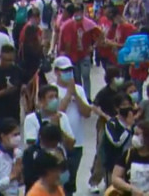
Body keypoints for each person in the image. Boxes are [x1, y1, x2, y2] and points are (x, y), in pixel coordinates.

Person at [51, 55, 91, 195]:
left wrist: (76, 94)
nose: (68, 73)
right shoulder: (51, 90)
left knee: (70, 179)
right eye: (64, 70)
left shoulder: (78, 89)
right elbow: (56, 113)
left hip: (77, 142)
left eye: (70, 70)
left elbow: (87, 113)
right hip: (58, 143)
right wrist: (68, 95)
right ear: (56, 72)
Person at [109, 120, 149, 196]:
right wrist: (131, 188)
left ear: (148, 138)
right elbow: (115, 178)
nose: (134, 137)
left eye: (137, 134)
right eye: (134, 134)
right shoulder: (128, 154)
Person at [56, 3, 102, 99]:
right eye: (76, 12)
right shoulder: (69, 25)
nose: (78, 14)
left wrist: (93, 47)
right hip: (73, 56)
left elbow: (100, 35)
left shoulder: (89, 24)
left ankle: (87, 97)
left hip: (84, 54)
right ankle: (80, 97)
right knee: (77, 79)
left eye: (79, 12)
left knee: (85, 76)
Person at [0, 44, 23, 136]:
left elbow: (22, 85)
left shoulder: (17, 71)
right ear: (0, 57)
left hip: (13, 115)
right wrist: (4, 92)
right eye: (6, 60)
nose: (9, 63)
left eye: (11, 60)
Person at [99, 93, 136, 187]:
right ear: (117, 108)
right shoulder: (111, 124)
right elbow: (117, 142)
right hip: (114, 165)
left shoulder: (135, 123)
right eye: (123, 105)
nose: (126, 107)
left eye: (128, 105)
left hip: (132, 165)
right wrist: (128, 127)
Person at [0, 118, 25, 196]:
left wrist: (21, 174)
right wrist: (11, 177)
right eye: (14, 135)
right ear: (3, 136)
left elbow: (20, 182)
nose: (18, 138)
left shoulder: (18, 153)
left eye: (18, 134)